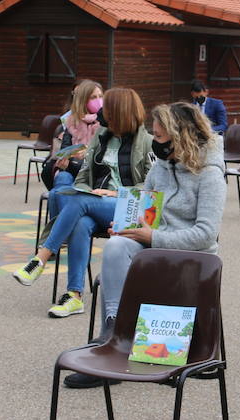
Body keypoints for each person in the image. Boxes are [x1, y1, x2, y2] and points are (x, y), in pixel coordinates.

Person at [72, 102, 227, 387]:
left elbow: (205, 235)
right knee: (116, 246)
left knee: (127, 251)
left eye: (158, 136)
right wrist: (127, 227)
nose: (154, 142)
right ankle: (113, 332)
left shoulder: (211, 174)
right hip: (154, 249)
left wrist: (151, 237)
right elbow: (148, 209)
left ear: (179, 136)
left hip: (192, 259)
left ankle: (116, 342)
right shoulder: (164, 166)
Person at [13, 87, 153, 318]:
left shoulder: (147, 142)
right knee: (81, 219)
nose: (102, 112)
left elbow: (151, 186)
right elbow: (83, 178)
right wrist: (90, 191)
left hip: (129, 208)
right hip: (95, 204)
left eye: (107, 107)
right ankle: (74, 296)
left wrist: (114, 194)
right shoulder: (101, 137)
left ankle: (41, 258)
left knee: (79, 201)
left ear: (119, 112)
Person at [45, 80, 104, 196]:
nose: (98, 100)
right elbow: (65, 150)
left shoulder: (106, 123)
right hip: (73, 168)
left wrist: (86, 153)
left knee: (59, 189)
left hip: (94, 174)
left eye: (100, 96)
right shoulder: (72, 122)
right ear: (83, 101)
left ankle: (61, 212)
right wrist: (67, 160)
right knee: (62, 177)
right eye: (93, 97)